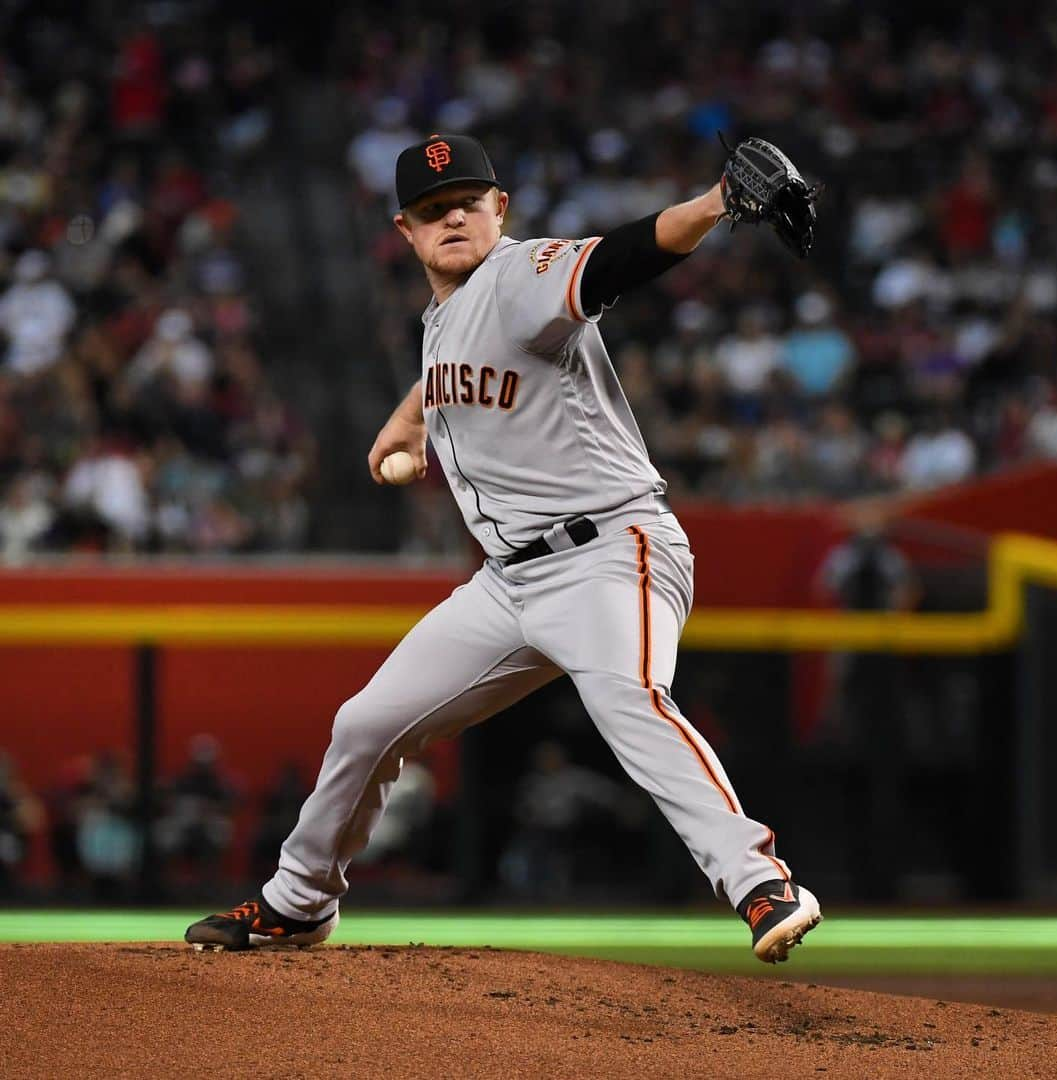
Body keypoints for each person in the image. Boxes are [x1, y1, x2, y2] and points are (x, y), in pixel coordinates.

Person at [186, 133, 822, 961]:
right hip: (507, 584)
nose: (451, 218)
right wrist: (406, 424)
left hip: (607, 549)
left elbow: (617, 261)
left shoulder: (521, 276)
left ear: (500, 210)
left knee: (629, 698)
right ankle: (298, 903)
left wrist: (712, 205)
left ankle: (760, 882)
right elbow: (451, 363)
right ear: (405, 231)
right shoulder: (444, 316)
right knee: (366, 724)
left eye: (466, 203)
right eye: (430, 211)